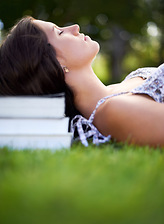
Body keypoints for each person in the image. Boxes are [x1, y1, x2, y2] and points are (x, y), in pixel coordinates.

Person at [0, 16, 164, 147]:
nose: (75, 27)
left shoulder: (116, 92)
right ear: (53, 62)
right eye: (60, 32)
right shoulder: (113, 111)